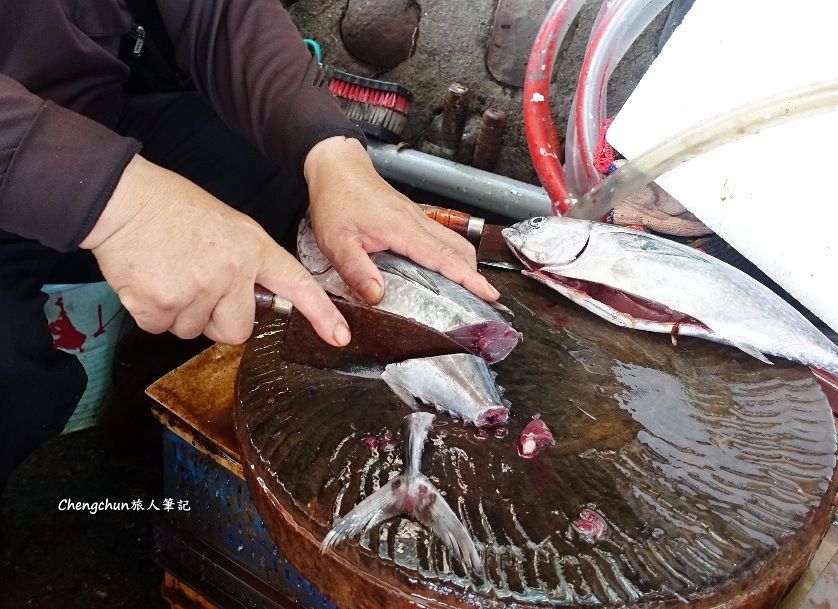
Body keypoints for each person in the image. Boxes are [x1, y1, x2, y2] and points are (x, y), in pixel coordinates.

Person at [0, 0, 500, 485]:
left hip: (91, 117)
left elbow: (213, 11)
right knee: (13, 387)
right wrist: (119, 201)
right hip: (31, 147)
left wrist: (332, 153)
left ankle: (154, 441)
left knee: (272, 181)